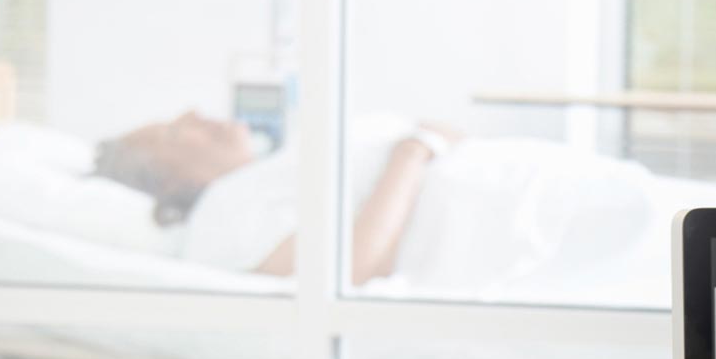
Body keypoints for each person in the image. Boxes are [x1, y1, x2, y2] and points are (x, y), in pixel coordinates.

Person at [93, 110, 459, 284]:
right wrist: (414, 150)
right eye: (174, 132)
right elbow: (352, 269)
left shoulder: (267, 173)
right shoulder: (223, 212)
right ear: (170, 184)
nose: (195, 115)